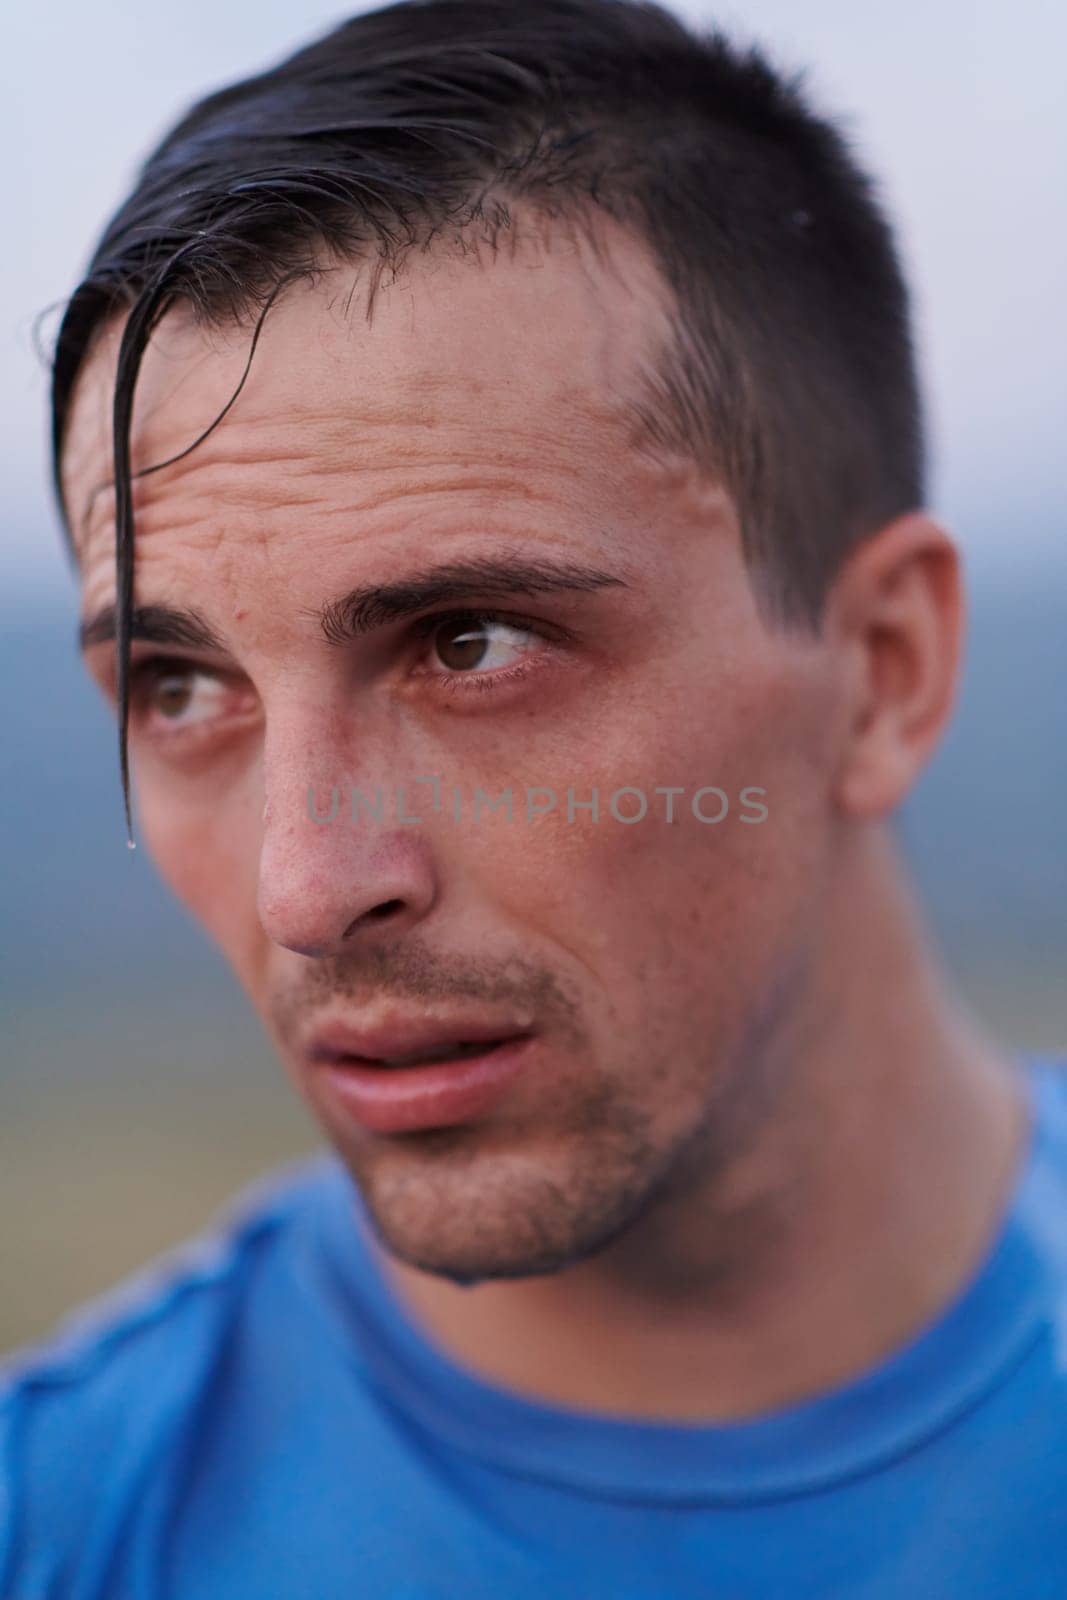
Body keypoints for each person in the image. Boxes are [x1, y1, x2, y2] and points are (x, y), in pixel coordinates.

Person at [3, 0, 1065, 1593]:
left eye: (472, 644)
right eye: (183, 687)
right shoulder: (62, 1526)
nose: (309, 885)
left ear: (886, 668)